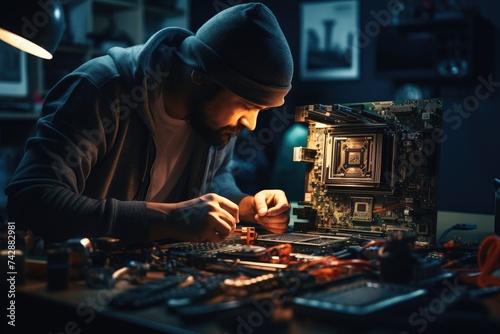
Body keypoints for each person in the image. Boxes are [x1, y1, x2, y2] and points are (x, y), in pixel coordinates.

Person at [5, 2, 293, 246]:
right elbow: (32, 199)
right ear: (201, 76)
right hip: (67, 283)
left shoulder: (212, 116)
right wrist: (168, 218)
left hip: (151, 283)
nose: (252, 124)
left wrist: (246, 206)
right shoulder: (102, 90)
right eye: (247, 106)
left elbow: (213, 178)